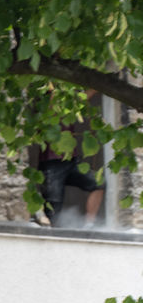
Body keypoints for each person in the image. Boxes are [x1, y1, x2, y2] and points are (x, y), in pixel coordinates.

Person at [38, 94, 104, 226]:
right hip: (52, 163)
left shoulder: (69, 106)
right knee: (53, 211)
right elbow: (73, 100)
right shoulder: (46, 107)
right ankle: (40, 216)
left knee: (98, 183)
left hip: (71, 160)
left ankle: (89, 223)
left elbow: (80, 99)